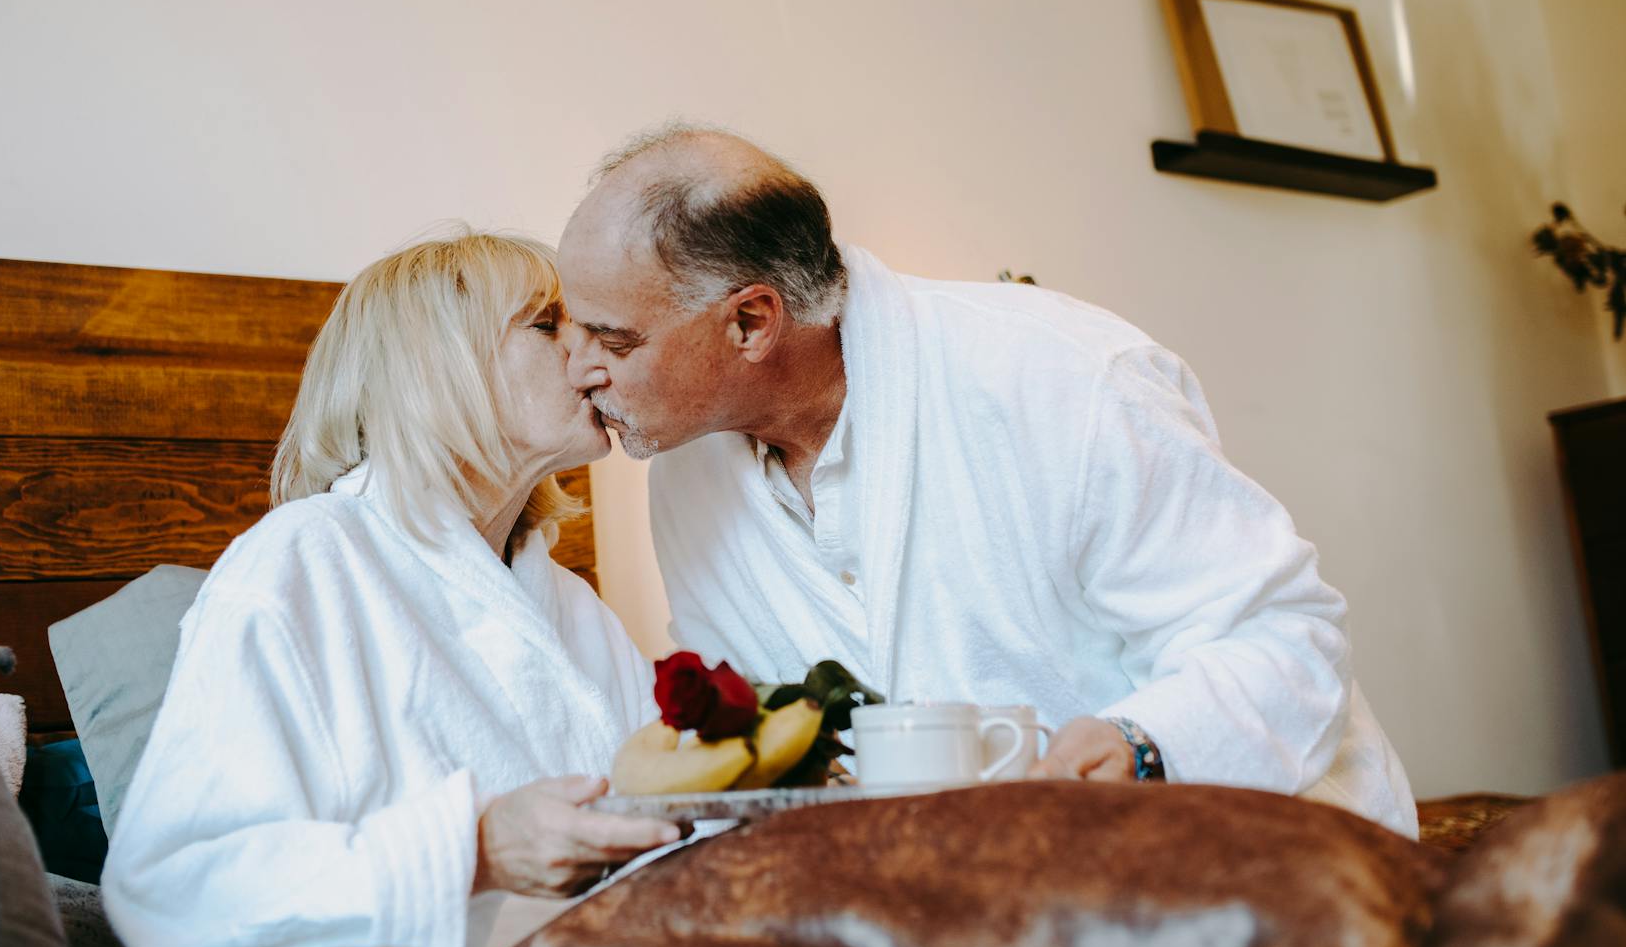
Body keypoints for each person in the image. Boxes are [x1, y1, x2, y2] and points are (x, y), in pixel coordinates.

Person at [557, 124, 1417, 836]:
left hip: (1264, 861)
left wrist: (1143, 745)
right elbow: (770, 742)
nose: (580, 368)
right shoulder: (687, 475)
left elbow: (1287, 640)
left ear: (751, 320)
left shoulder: (1063, 378)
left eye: (615, 340)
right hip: (974, 915)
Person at [102, 232, 679, 947]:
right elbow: (169, 895)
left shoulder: (567, 602)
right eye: (547, 324)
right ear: (437, 365)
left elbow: (664, 809)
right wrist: (471, 848)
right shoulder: (300, 561)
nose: (591, 351)